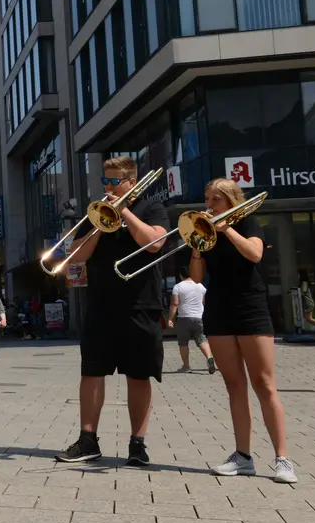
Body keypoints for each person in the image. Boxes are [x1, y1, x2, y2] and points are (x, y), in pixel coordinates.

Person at [56, 156, 169, 467]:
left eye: (114, 181)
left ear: (131, 182)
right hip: (101, 303)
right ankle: (88, 440)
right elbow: (75, 257)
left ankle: (137, 443)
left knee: (138, 373)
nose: (107, 186)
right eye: (104, 181)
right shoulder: (95, 213)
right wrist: (97, 224)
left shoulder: (150, 208)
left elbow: (155, 244)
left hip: (140, 303)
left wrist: (125, 212)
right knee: (91, 371)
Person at [196, 179, 297, 483]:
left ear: (230, 200)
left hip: (250, 307)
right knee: (234, 386)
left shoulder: (249, 221)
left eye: (216, 198)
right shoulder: (206, 230)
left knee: (264, 384)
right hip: (218, 311)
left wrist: (227, 228)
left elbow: (254, 254)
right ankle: (243, 457)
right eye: (207, 198)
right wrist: (197, 248)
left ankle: (282, 459)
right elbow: (197, 278)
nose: (210, 204)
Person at [169, 270, 215, 374]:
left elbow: (175, 304)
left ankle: (186, 366)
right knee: (202, 339)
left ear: (181, 275)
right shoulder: (200, 286)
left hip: (183, 318)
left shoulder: (178, 287)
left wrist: (170, 319)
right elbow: (204, 302)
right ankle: (209, 358)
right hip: (198, 317)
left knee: (183, 343)